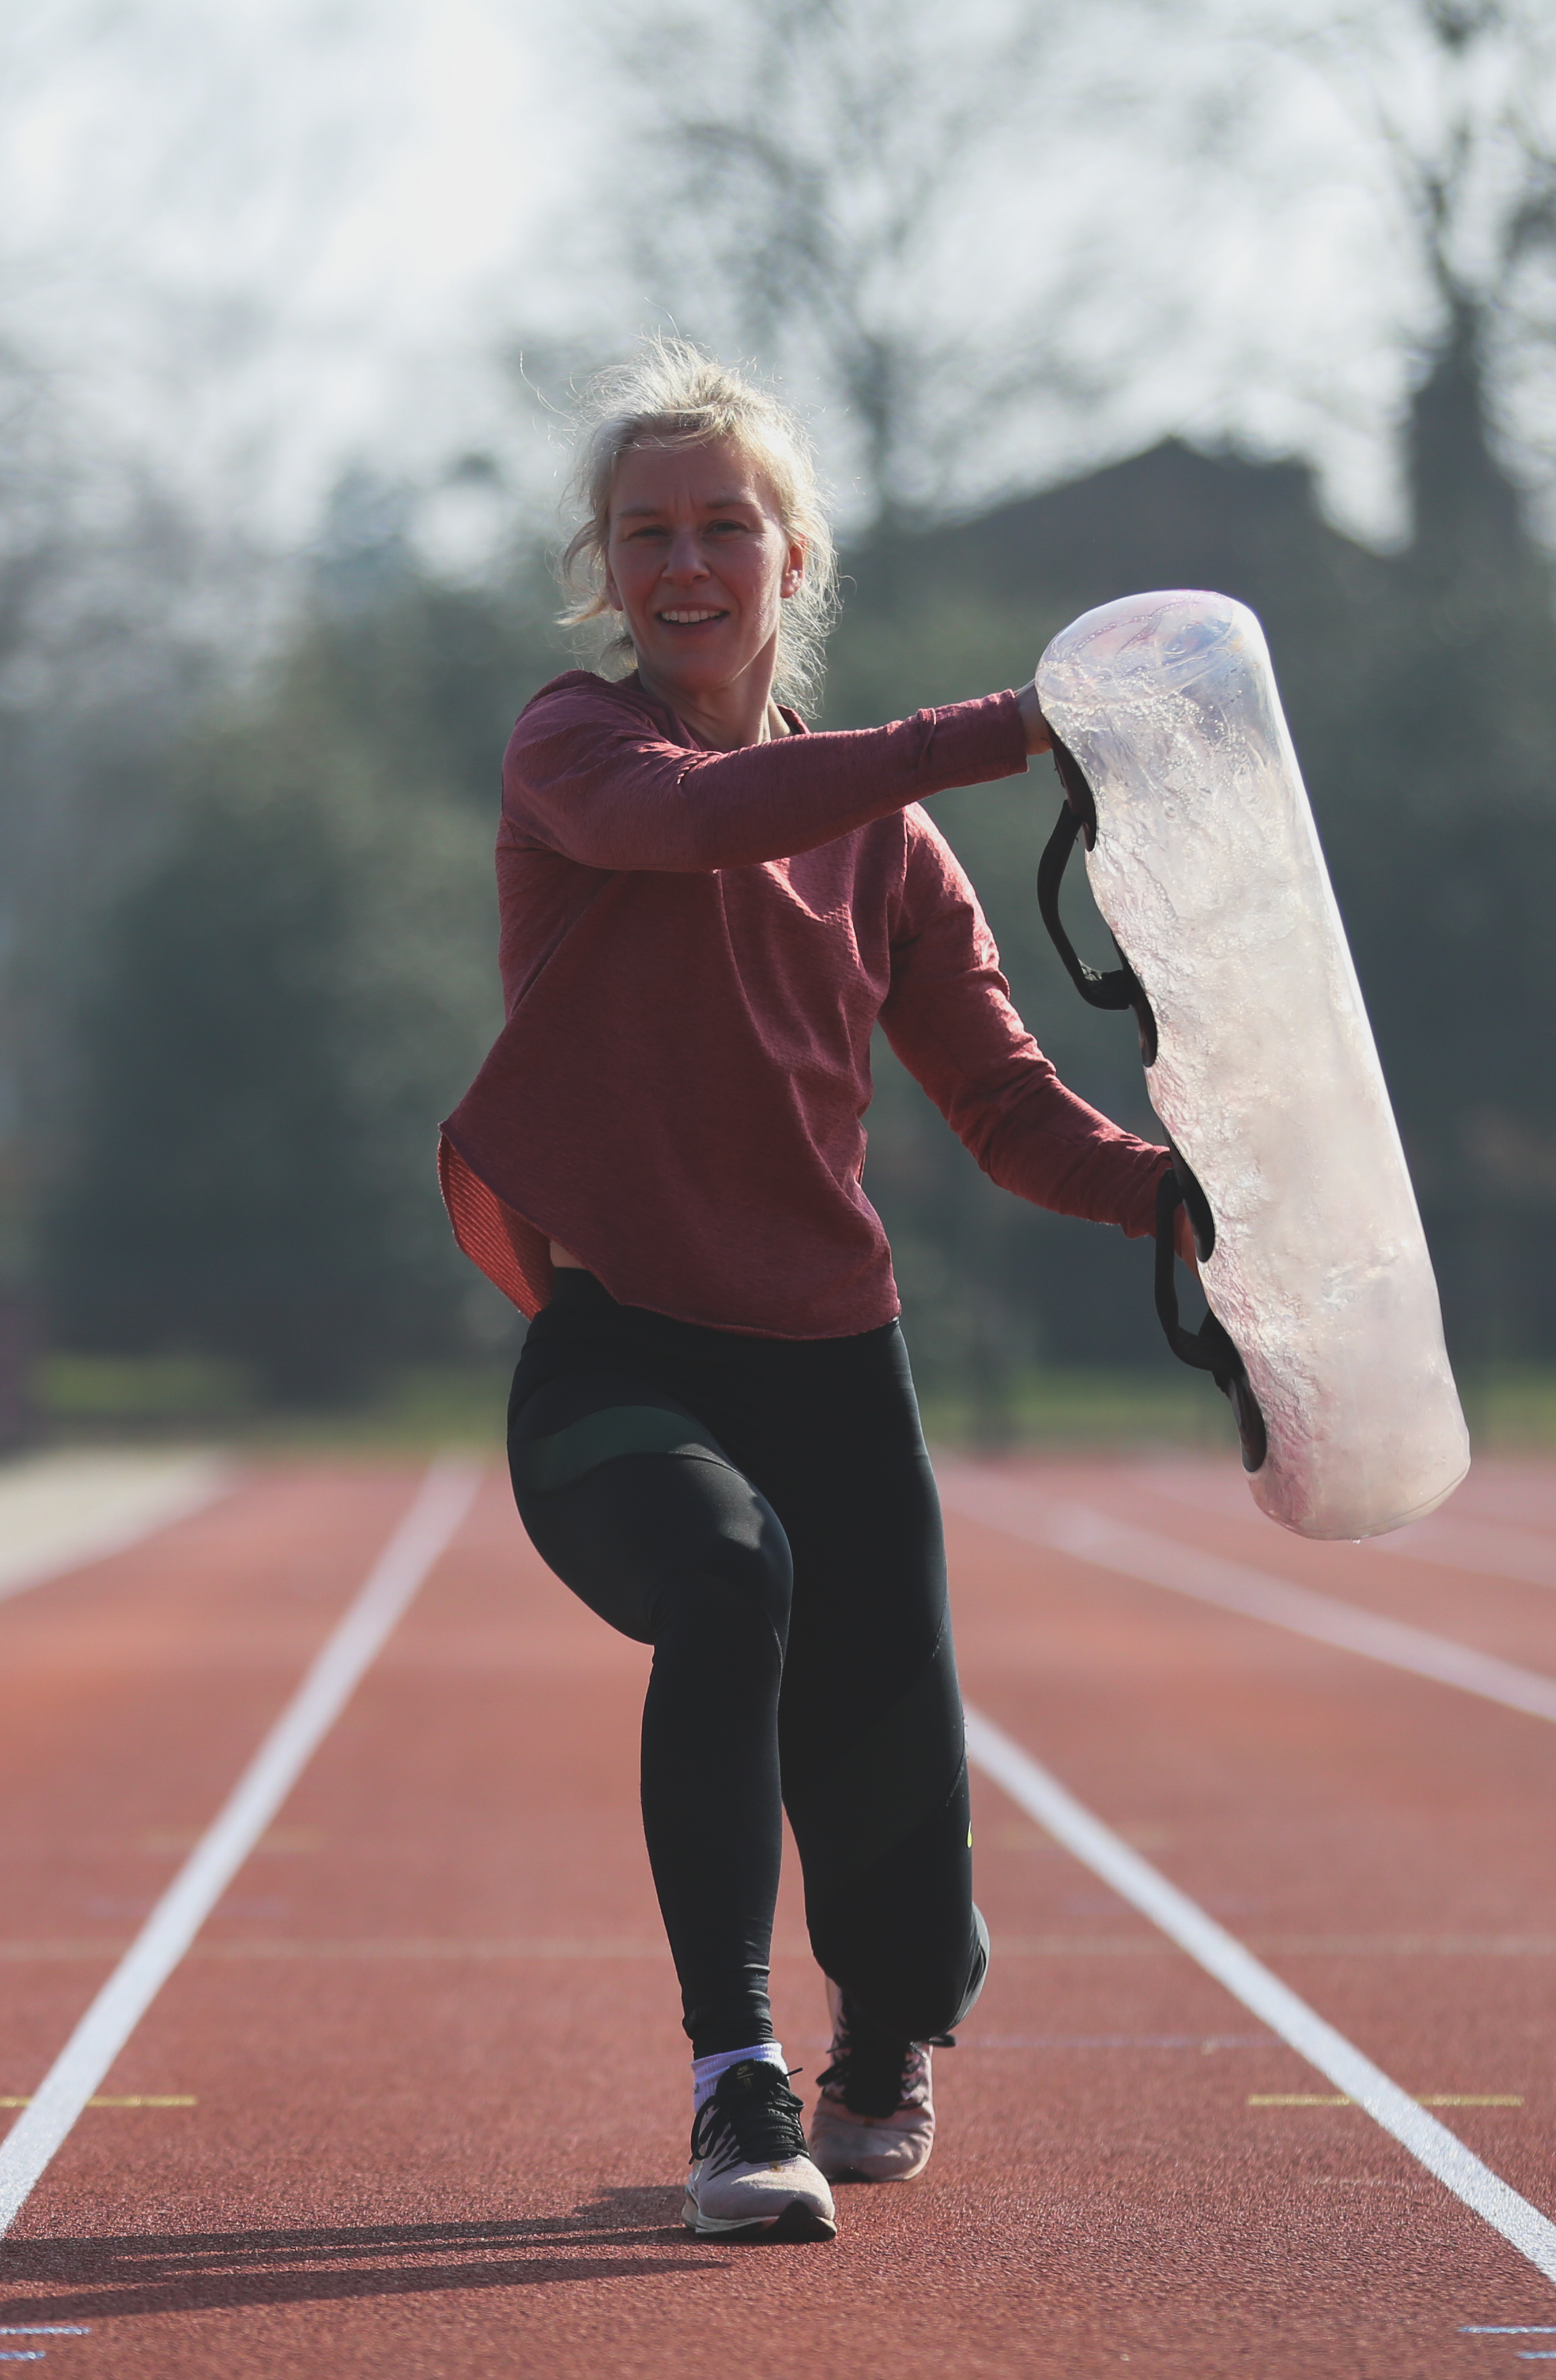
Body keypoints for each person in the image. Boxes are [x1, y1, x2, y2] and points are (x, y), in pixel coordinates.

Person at [437, 344, 1174, 2242]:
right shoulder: (573, 752)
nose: (686, 563)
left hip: (838, 1358)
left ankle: (881, 2031)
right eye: (646, 534)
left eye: (723, 527)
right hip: (619, 1349)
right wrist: (1004, 727)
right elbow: (701, 822)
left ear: (791, 555)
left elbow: (1008, 1110)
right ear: (606, 571)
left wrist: (1170, 1200)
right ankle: (731, 2077)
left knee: (904, 1853)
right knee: (725, 1572)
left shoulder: (891, 850)